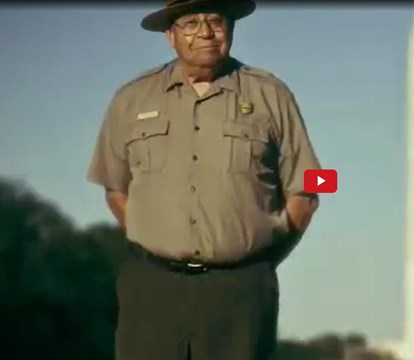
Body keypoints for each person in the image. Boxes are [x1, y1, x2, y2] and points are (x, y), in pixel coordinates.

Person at [86, 0, 321, 359]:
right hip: (151, 288)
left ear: (231, 29)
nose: (206, 33)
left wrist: (265, 254)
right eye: (191, 23)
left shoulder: (272, 93)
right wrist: (152, 234)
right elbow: (114, 186)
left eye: (216, 21)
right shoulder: (130, 99)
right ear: (170, 35)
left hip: (242, 290)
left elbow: (317, 182)